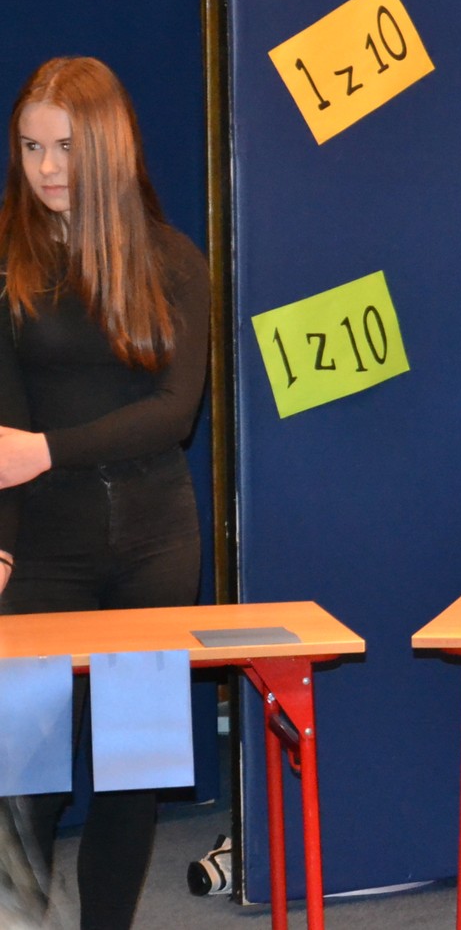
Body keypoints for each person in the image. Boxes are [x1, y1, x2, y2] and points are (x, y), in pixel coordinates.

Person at [0, 57, 210, 930]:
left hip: (157, 545)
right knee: (24, 777)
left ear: (109, 147)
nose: (47, 168)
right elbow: (4, 436)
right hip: (45, 550)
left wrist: (49, 450)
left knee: (133, 774)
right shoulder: (8, 263)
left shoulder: (173, 261)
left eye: (65, 147)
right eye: (30, 147)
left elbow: (173, 413)